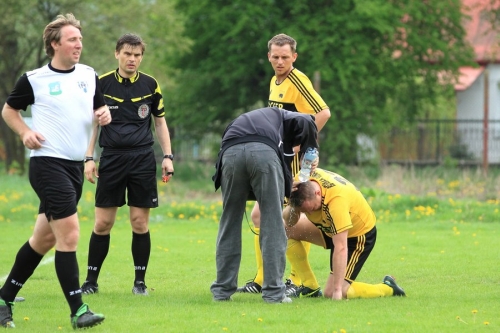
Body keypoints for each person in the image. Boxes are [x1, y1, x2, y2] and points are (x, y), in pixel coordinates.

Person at [0, 13, 111, 329]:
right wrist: (24, 132)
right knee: (71, 234)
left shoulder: (89, 75)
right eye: (73, 39)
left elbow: (98, 108)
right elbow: (9, 111)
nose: (79, 44)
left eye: (80, 39)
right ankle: (78, 311)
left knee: (43, 239)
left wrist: (102, 114)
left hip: (75, 168)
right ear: (55, 44)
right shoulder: (34, 79)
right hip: (47, 164)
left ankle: (3, 299)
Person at [80, 33, 174, 296]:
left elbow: (159, 122)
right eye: (127, 54)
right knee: (102, 224)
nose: (132, 59)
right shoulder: (101, 84)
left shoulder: (151, 85)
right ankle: (90, 282)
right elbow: (93, 124)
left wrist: (167, 156)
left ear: (141, 57)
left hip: (143, 159)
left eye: (137, 55)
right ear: (117, 54)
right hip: (111, 158)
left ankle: (139, 283)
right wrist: (89, 158)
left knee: (139, 223)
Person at [238, 33, 331, 294]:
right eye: (276, 57)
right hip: (279, 161)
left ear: (294, 57)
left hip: (295, 167)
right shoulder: (274, 80)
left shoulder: (298, 80)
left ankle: (301, 281)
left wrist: (303, 144)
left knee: (277, 219)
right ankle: (266, 279)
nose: (280, 62)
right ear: (269, 56)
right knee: (270, 218)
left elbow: (323, 113)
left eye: (285, 57)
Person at [211, 107, 319, 303]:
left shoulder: (257, 121)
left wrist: (285, 183)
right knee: (273, 223)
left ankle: (222, 291)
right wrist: (310, 148)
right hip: (263, 153)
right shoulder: (286, 116)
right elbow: (307, 120)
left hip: (230, 153)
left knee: (229, 222)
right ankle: (274, 292)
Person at [282, 168, 406, 299]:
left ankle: (389, 288)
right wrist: (293, 204)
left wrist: (337, 291)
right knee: (285, 229)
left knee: (332, 293)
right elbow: (289, 221)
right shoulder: (299, 182)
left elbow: (340, 247)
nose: (311, 214)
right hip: (329, 225)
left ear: (318, 193)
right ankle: (310, 286)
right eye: (305, 211)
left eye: (312, 209)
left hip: (356, 236)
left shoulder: (337, 201)